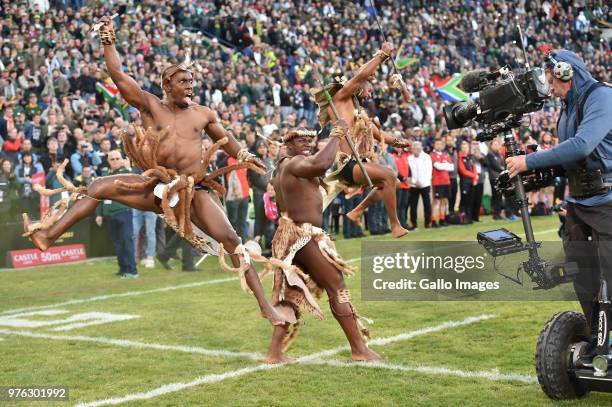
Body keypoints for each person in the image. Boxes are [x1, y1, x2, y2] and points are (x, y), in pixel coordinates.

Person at [22, 16, 287, 326]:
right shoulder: (150, 106)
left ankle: (266, 306)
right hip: (156, 186)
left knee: (232, 240)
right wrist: (108, 40)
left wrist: (244, 154)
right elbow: (118, 74)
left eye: (192, 82)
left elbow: (227, 140)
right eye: (183, 82)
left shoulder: (203, 113)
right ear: (167, 85)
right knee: (97, 186)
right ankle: (48, 235)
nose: (190, 86)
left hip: (192, 190)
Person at [506, 49, 612, 342]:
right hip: (578, 202)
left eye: (553, 81)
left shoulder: (602, 97)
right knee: (583, 278)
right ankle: (597, 339)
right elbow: (570, 161)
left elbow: (581, 146)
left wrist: (528, 162)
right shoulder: (567, 108)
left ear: (568, 73)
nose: (550, 89)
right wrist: (541, 170)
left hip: (607, 201)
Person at [265, 123, 382, 364]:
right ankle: (359, 349)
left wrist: (349, 138)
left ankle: (274, 354)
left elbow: (327, 166)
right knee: (337, 285)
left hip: (294, 237)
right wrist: (335, 136)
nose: (307, 144)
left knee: (291, 295)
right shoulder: (294, 164)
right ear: (288, 146)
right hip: (301, 237)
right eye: (301, 141)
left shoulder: (293, 168)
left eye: (310, 141)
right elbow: (320, 163)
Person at [314, 41, 411, 238]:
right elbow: (361, 75)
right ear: (358, 87)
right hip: (347, 165)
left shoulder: (360, 113)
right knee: (389, 176)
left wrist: (399, 142)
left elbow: (380, 135)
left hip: (360, 163)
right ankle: (395, 225)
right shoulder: (340, 99)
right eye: (369, 87)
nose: (371, 91)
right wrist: (381, 55)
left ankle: (357, 211)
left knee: (393, 184)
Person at [95, 150, 138, 278]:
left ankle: (132, 270)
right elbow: (99, 196)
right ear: (108, 161)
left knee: (126, 241)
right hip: (108, 214)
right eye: (112, 159)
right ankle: (123, 268)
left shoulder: (126, 173)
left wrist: (127, 167)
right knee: (117, 243)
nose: (115, 161)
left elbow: (135, 180)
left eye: (117, 158)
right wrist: (98, 214)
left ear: (121, 159)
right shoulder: (104, 175)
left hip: (123, 212)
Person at [408, 141, 432, 229]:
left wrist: (422, 182)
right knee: (413, 205)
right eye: (412, 149)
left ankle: (428, 223)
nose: (413, 150)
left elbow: (429, 172)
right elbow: (409, 173)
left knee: (427, 204)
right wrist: (414, 182)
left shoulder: (426, 157)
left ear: (420, 149)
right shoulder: (409, 158)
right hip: (413, 185)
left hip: (425, 184)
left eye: (415, 149)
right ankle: (414, 224)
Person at [429, 138, 454, 227]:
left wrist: (443, 165)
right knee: (436, 201)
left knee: (444, 200)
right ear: (434, 145)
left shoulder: (446, 154)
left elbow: (452, 167)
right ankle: (433, 220)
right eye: (437, 144)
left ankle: (442, 219)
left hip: (446, 181)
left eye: (440, 144)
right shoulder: (432, 155)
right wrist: (445, 165)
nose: (439, 145)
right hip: (437, 182)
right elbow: (437, 166)